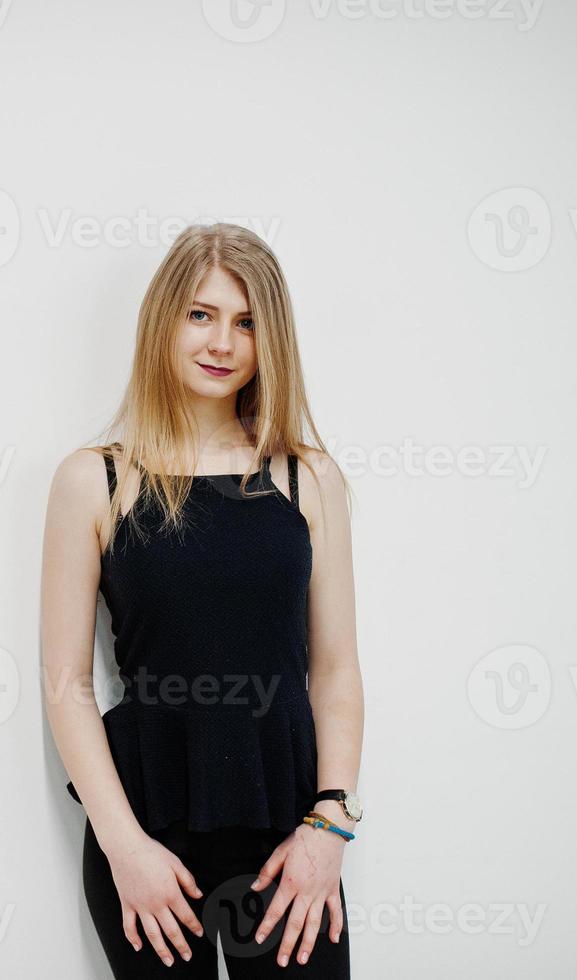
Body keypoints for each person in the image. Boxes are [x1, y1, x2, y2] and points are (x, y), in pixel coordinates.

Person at [40, 223, 364, 978]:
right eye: (200, 314)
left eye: (246, 322)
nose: (222, 341)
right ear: (164, 321)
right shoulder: (95, 479)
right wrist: (125, 850)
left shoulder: (306, 478)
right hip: (147, 830)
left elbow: (337, 671)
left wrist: (328, 826)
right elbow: (66, 683)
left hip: (287, 829)